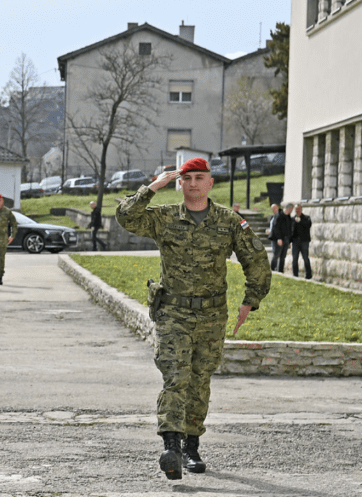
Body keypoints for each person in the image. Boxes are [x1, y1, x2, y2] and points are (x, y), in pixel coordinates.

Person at [116, 157, 270, 481]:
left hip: (212, 315)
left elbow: (256, 259)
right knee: (176, 375)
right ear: (180, 183)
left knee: (200, 381)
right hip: (173, 312)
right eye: (188, 179)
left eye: (200, 178)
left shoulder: (229, 222)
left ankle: (191, 446)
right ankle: (170, 445)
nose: (194, 184)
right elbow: (126, 216)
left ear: (210, 182)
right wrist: (152, 187)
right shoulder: (165, 217)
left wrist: (250, 301)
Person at [269, 203, 293, 273]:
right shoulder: (279, 215)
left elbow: (289, 229)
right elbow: (276, 228)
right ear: (289, 208)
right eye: (291, 210)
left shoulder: (288, 217)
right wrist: (279, 238)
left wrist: (289, 241)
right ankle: (272, 270)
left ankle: (280, 271)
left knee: (283, 256)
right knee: (276, 255)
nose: (291, 211)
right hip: (278, 239)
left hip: (286, 239)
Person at [291, 204, 312, 279]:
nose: (298, 211)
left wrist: (300, 221)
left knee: (306, 258)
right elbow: (291, 231)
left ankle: (308, 275)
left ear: (301, 210)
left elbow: (308, 225)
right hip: (295, 242)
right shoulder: (292, 219)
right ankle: (295, 275)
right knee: (295, 259)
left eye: (299, 209)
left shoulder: (306, 218)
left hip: (304, 241)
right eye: (296, 210)